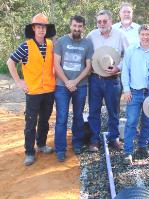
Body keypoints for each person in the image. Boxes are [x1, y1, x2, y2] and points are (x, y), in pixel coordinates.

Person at [6, 13, 56, 166]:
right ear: (33, 28)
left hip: (49, 90)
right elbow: (10, 62)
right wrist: (19, 82)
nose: (41, 30)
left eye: (44, 27)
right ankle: (29, 152)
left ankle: (41, 145)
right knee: (30, 122)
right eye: (38, 27)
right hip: (33, 92)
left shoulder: (50, 44)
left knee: (44, 121)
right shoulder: (25, 46)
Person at [121, 24, 149, 165]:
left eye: (148, 34)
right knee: (131, 122)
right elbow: (125, 71)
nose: (145, 37)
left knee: (148, 122)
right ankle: (128, 152)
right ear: (139, 35)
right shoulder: (131, 51)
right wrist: (126, 89)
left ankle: (142, 146)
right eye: (143, 34)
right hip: (134, 92)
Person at [86, 10, 129, 152]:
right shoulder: (91, 36)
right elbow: (85, 54)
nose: (102, 24)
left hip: (113, 80)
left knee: (113, 111)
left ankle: (114, 138)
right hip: (95, 79)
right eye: (99, 21)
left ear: (111, 21)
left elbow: (128, 56)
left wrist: (118, 68)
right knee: (94, 111)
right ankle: (94, 140)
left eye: (105, 21)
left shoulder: (120, 35)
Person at [54, 15, 94, 161]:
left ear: (83, 28)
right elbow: (56, 64)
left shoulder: (88, 43)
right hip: (61, 86)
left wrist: (75, 82)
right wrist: (67, 82)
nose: (77, 29)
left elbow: (88, 66)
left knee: (78, 116)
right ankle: (60, 148)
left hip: (81, 86)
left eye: (80, 26)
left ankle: (76, 143)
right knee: (62, 117)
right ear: (70, 26)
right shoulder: (61, 41)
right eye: (75, 26)